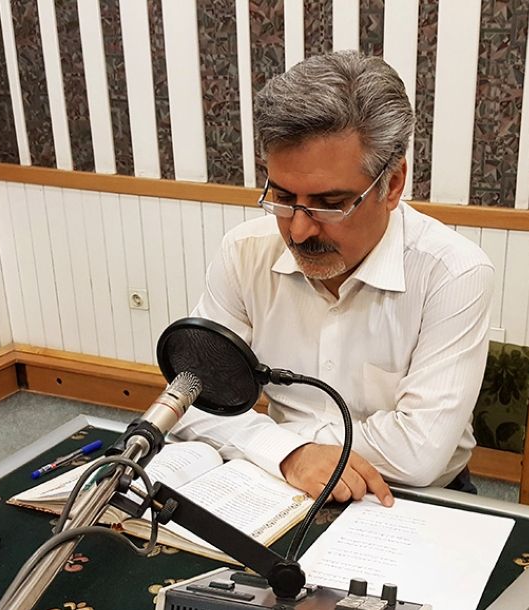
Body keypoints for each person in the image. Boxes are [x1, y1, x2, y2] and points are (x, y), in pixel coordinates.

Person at [171, 51, 493, 507]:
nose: (299, 230)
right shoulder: (245, 253)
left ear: (392, 184)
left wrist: (277, 442)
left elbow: (418, 454)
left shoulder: (454, 273)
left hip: (412, 499)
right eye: (283, 197)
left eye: (329, 204)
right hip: (283, 478)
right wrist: (292, 454)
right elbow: (188, 399)